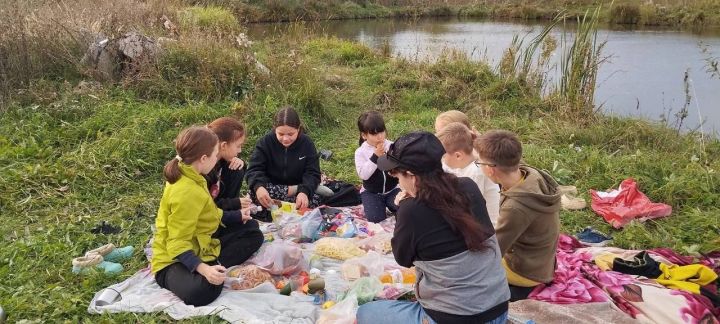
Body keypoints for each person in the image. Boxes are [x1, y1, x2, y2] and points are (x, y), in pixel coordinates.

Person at [357, 131, 510, 324]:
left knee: (366, 313)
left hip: (455, 318)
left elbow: (403, 259)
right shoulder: (467, 185)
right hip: (499, 309)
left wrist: (404, 208)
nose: (396, 179)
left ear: (411, 176)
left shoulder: (410, 210)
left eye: (395, 173)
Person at [151, 126, 263, 307]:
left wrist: (236, 216)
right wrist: (203, 269)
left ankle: (212, 265)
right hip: (172, 259)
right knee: (203, 291)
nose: (216, 159)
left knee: (252, 231)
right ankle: (208, 267)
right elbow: (176, 243)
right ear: (203, 158)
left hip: (200, 242)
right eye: (215, 154)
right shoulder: (185, 191)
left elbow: (207, 214)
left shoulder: (193, 175)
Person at [474, 130, 561, 299]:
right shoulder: (531, 175)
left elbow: (495, 250)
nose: (479, 166)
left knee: (469, 270)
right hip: (542, 261)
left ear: (491, 170)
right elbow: (502, 155)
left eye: (480, 163)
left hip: (526, 271)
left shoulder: (515, 208)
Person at [246, 106, 322, 217]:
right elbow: (254, 169)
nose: (285, 139)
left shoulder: (307, 143)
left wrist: (304, 191)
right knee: (256, 195)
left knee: (311, 201)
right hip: (273, 190)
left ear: (298, 129)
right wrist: (259, 187)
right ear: (274, 129)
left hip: (299, 191)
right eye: (280, 134)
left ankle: (296, 199)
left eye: (291, 134)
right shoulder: (265, 142)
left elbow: (313, 172)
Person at [436, 122, 501, 225]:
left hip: (488, 228)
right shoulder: (461, 163)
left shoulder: (477, 172)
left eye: (443, 156)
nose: (441, 160)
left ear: (458, 156)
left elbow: (464, 208)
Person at [354, 111, 399, 223]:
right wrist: (375, 157)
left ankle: (392, 205)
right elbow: (364, 175)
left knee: (404, 210)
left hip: (392, 189)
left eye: (382, 132)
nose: (380, 137)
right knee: (376, 219)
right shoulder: (360, 152)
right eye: (374, 134)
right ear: (364, 135)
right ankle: (378, 205)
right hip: (371, 192)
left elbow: (399, 169)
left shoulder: (391, 146)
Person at [206, 117, 252, 211]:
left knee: (236, 168)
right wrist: (234, 203)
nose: (240, 150)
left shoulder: (221, 159)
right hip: (206, 215)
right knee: (251, 225)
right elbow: (206, 206)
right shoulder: (204, 168)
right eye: (238, 146)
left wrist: (240, 162)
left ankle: (231, 213)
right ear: (224, 146)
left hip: (218, 209)